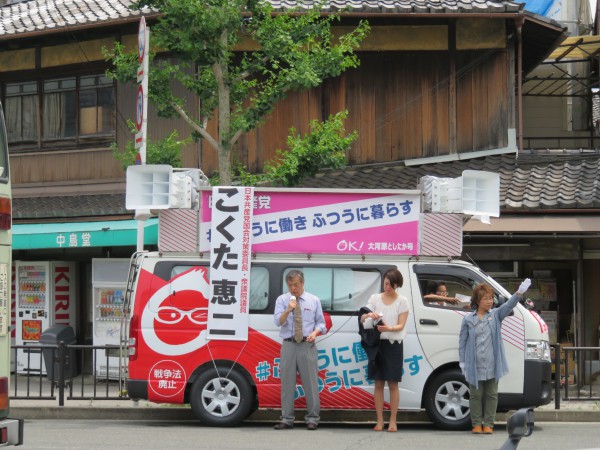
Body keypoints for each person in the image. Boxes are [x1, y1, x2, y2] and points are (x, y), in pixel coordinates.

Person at [458, 278, 531, 435]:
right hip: (474, 364)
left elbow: (508, 305)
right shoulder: (468, 319)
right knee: (476, 395)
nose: (490, 301)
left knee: (491, 394)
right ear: (478, 300)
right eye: (486, 298)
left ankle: (489, 424)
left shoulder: (496, 315)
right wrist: (463, 362)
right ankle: (476, 423)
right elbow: (462, 342)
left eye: (491, 298)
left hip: (492, 362)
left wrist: (519, 293)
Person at [273, 270, 326, 431]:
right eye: (290, 285)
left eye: (296, 284)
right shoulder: (282, 300)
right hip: (289, 345)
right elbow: (278, 321)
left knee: (310, 383)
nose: (293, 288)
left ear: (302, 283)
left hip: (307, 345)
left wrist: (315, 333)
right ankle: (287, 419)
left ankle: (312, 419)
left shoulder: (313, 300)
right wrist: (288, 309)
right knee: (287, 383)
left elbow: (321, 324)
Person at [359, 268, 410, 433]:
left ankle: (393, 420)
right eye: (386, 283)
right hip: (377, 344)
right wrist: (369, 316)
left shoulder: (403, 301)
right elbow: (362, 317)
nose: (387, 287)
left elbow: (402, 325)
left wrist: (390, 328)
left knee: (393, 383)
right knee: (378, 383)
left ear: (397, 285)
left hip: (394, 344)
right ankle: (379, 420)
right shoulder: (374, 298)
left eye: (391, 284)